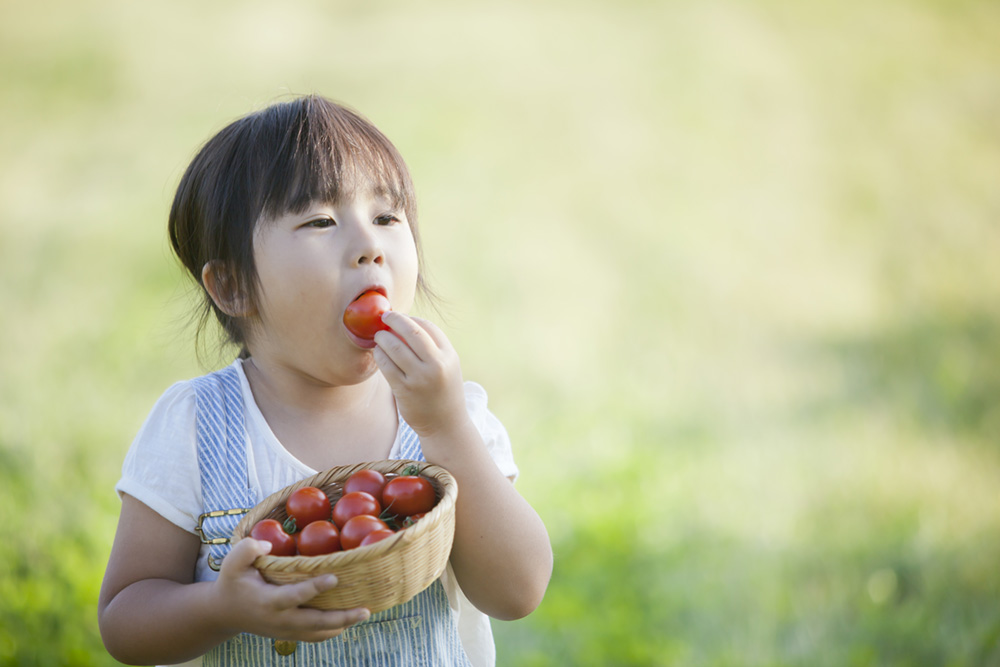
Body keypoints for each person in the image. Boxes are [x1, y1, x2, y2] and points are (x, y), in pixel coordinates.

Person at [98, 94, 553, 667]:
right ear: (233, 287)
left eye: (387, 218)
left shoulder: (450, 416)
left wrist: (445, 427)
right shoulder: (196, 426)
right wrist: (219, 607)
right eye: (320, 221)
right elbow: (124, 620)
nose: (370, 248)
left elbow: (518, 591)